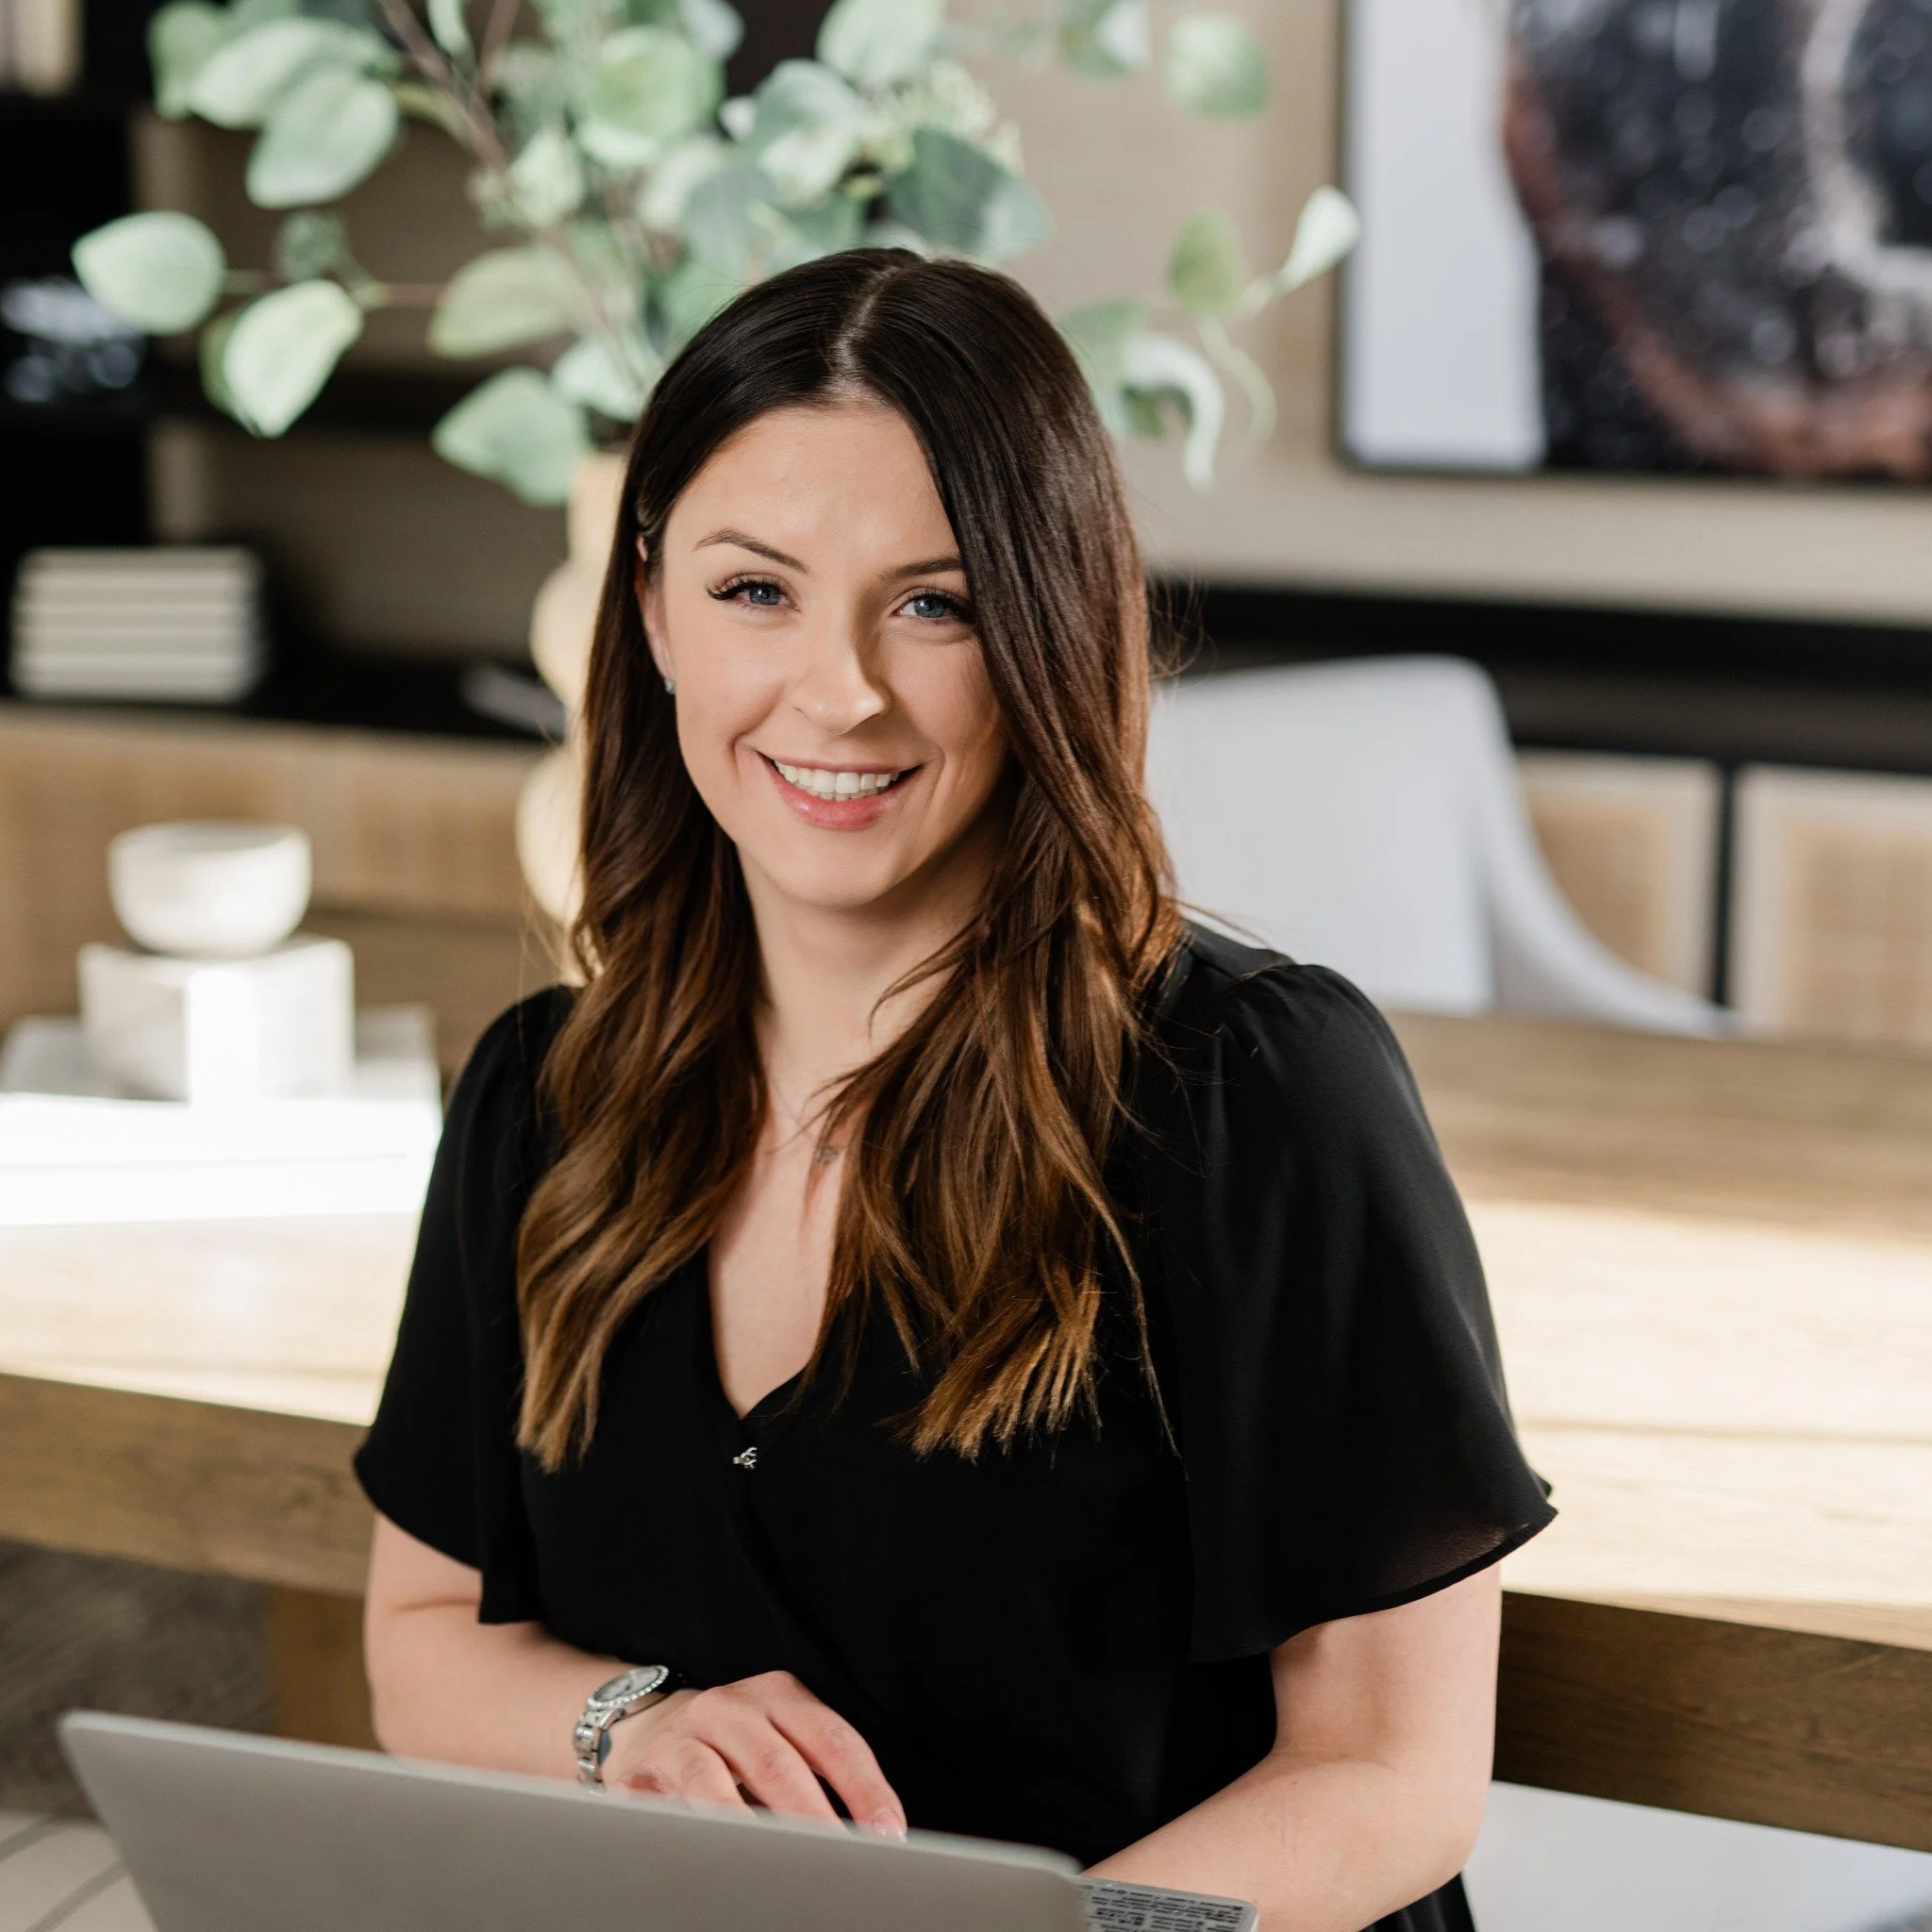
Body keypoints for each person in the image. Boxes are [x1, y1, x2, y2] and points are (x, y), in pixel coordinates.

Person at [355, 248, 1554, 1932]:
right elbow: (421, 1651)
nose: (837, 690)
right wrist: (630, 1727)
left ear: (1048, 626)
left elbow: (1392, 1779)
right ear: (650, 612)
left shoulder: (1255, 1093)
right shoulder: (540, 1099)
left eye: (937, 602)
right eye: (753, 591)